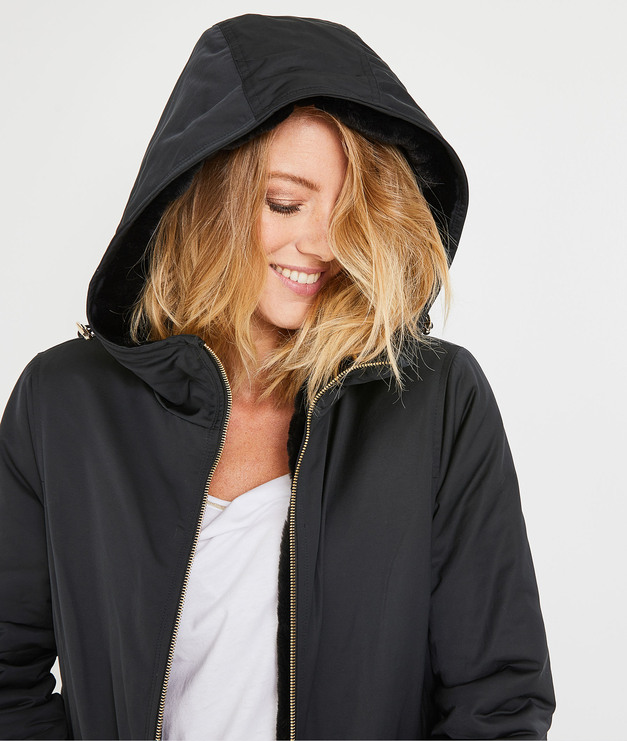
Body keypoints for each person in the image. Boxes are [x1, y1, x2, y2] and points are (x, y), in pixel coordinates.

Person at [0, 13, 555, 741]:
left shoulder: (435, 398)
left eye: (349, 211)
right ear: (207, 193)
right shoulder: (64, 400)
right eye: (285, 202)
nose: (322, 243)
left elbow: (498, 699)